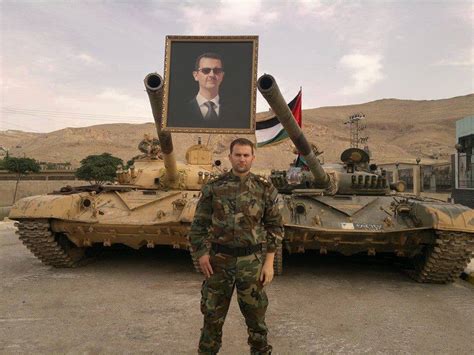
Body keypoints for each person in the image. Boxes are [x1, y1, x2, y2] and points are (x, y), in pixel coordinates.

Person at [189, 138, 283, 354]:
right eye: (238, 155)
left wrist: (269, 263)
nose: (242, 159)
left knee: (256, 321)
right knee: (212, 318)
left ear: (252, 158)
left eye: (246, 155)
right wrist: (202, 254)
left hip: (251, 264)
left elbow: (275, 227)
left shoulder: (264, 188)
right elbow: (198, 225)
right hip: (218, 262)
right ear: (230, 157)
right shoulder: (214, 187)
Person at [173, 52, 248, 129]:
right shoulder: (179, 113)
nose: (212, 75)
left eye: (217, 71)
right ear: (196, 75)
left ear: (222, 76)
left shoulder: (237, 113)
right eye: (206, 70)